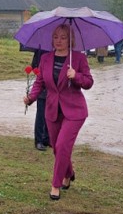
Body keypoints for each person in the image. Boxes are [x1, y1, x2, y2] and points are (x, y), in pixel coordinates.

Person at [23, 24, 94, 200]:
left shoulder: (78, 59)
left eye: (63, 37)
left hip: (75, 111)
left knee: (63, 146)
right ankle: (69, 172)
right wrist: (31, 98)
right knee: (57, 148)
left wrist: (76, 76)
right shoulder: (46, 58)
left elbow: (88, 82)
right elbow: (40, 82)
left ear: (70, 40)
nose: (59, 41)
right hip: (52, 109)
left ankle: (56, 185)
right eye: (56, 37)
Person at [30, 49, 50, 151]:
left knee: (52, 115)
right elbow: (34, 66)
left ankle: (47, 138)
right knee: (41, 115)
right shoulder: (40, 49)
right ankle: (39, 140)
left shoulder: (61, 51)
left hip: (54, 90)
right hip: (42, 88)